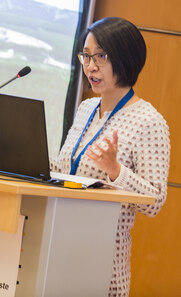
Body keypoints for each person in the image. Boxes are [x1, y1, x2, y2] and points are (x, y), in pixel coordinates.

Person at [51, 17, 170, 296]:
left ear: (126, 59)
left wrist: (116, 171)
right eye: (87, 56)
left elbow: (156, 201)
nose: (91, 66)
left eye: (101, 56)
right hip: (56, 249)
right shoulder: (87, 108)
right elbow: (65, 168)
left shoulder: (149, 121)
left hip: (102, 267)